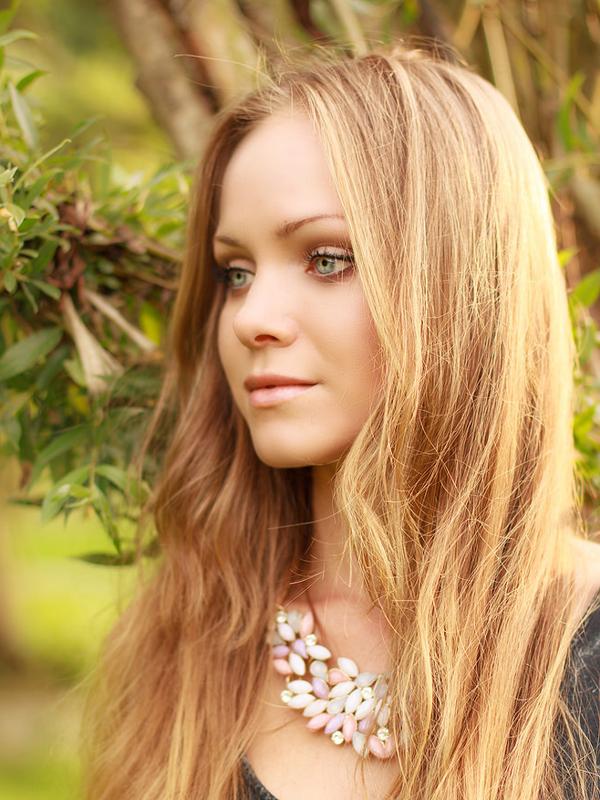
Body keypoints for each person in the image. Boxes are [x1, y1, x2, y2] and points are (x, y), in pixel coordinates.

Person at [80, 42, 600, 800]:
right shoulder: (194, 629)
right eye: (235, 272)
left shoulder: (583, 649)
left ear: (459, 285)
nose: (250, 317)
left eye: (325, 259)